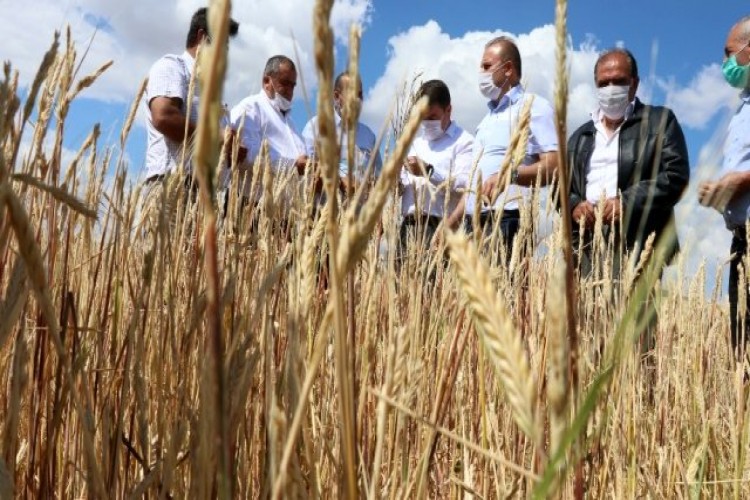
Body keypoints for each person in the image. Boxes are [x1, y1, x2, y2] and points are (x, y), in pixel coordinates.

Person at [568, 48, 690, 278]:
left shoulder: (660, 121)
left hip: (638, 243)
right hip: (586, 246)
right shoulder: (579, 137)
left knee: (636, 312)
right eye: (604, 83)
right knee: (589, 313)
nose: (611, 89)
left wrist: (626, 202)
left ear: (634, 84)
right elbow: (560, 188)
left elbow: (676, 177)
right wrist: (575, 205)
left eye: (619, 81)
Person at [141, 7, 239, 240]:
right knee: (162, 272)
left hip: (206, 194)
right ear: (203, 37)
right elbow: (164, 116)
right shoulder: (173, 67)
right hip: (174, 188)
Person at [458, 36, 558, 258]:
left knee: (506, 292)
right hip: (473, 221)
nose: (480, 73)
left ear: (508, 69)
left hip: (508, 218)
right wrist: (452, 222)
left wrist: (508, 175)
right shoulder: (484, 121)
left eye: (486, 66)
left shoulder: (535, 106)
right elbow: (473, 182)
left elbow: (554, 167)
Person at [698, 15, 750, 359]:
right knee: (742, 353)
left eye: (729, 53)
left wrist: (740, 180)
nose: (724, 63)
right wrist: (721, 195)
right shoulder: (743, 107)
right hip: (741, 240)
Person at [399, 79, 474, 257]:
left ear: (448, 110)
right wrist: (395, 181)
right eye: (422, 117)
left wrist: (428, 171)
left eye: (432, 117)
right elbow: (403, 187)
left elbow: (465, 185)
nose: (426, 122)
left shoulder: (464, 142)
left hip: (439, 227)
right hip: (408, 228)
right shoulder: (415, 143)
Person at [228, 55, 308, 201]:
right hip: (251, 206)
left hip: (285, 215)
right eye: (284, 83)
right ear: (266, 81)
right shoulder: (250, 108)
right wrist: (293, 166)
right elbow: (245, 155)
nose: (289, 90)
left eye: (293, 85)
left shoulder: (292, 124)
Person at [301, 71, 382, 197]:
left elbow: (377, 176)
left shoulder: (368, 135)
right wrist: (340, 182)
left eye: (360, 94)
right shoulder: (315, 128)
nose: (357, 100)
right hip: (323, 212)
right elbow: (307, 172)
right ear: (336, 96)